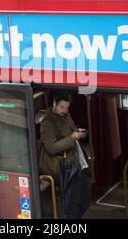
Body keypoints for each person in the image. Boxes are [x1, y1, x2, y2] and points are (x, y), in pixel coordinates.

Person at [39, 90, 91, 219]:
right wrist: (72, 138)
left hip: (79, 163)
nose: (65, 110)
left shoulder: (66, 115)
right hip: (67, 168)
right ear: (54, 104)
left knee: (85, 198)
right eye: (62, 107)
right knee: (74, 204)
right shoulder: (47, 123)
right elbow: (51, 147)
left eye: (67, 107)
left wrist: (80, 134)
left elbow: (73, 132)